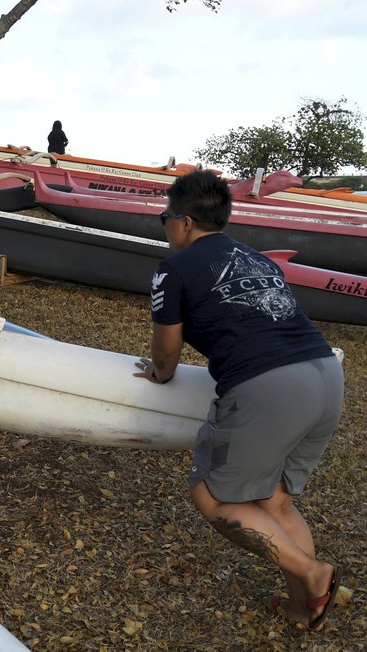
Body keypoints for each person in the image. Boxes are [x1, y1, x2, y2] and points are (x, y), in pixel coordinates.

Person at [134, 170, 344, 632]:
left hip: (268, 386)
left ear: (184, 222)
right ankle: (303, 607)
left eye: (165, 217)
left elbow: (166, 352)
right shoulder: (259, 259)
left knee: (214, 496)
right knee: (275, 503)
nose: (165, 226)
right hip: (326, 374)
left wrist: (160, 374)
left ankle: (314, 574)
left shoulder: (174, 268)